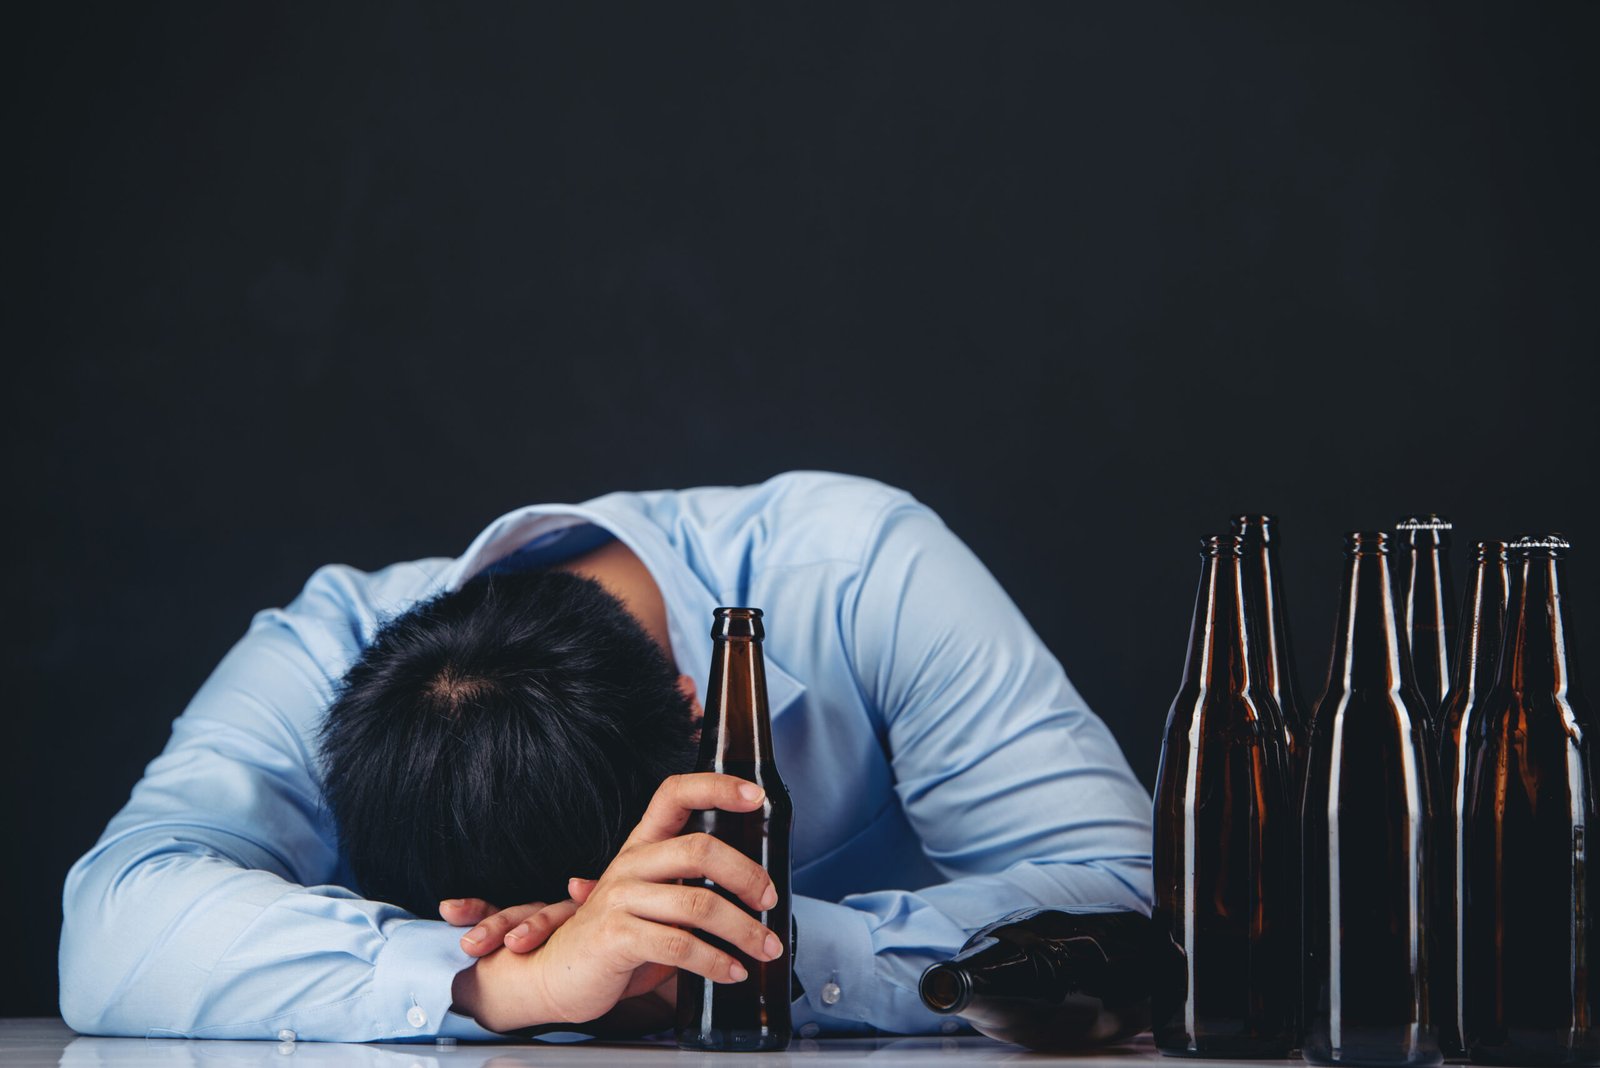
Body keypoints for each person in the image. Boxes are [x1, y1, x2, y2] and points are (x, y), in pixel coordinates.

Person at [59, 471, 1153, 1041]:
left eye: (600, 907)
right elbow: (114, 924)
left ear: (698, 720)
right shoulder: (324, 648)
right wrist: (493, 981)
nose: (600, 948)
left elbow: (1143, 903)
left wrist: (719, 952)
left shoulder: (859, 570)